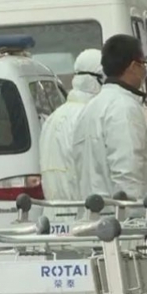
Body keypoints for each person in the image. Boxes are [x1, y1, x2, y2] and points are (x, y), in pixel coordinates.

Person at [73, 35, 147, 205]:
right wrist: (133, 215)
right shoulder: (125, 108)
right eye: (144, 64)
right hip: (123, 216)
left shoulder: (91, 107)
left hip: (94, 211)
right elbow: (127, 173)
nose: (145, 71)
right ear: (133, 66)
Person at [40, 49, 103, 205]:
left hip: (54, 212)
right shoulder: (89, 117)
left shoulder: (53, 118)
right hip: (86, 210)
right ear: (99, 78)